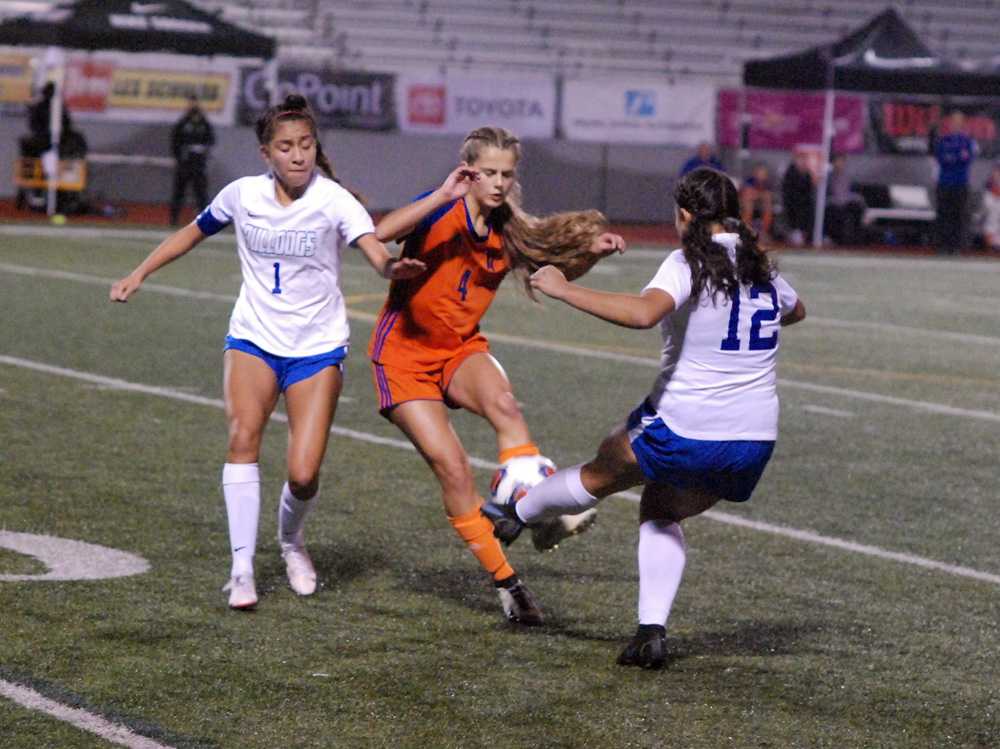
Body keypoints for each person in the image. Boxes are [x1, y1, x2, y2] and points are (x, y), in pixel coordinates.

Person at [109, 94, 425, 610]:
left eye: (306, 145)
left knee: (303, 474)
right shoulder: (241, 195)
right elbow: (193, 232)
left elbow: (373, 250)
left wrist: (392, 270)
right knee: (242, 438)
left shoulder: (335, 200)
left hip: (317, 347)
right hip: (253, 337)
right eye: (286, 147)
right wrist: (139, 273)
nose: (298, 155)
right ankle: (241, 571)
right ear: (266, 154)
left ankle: (290, 541)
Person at [485, 167, 806, 667]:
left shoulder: (687, 261)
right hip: (754, 439)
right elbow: (795, 310)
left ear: (683, 215)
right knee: (661, 507)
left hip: (687, 425)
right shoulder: (761, 266)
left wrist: (563, 288)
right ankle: (650, 633)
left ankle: (514, 515)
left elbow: (642, 313)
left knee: (604, 468)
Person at [368, 125, 624, 625]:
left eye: (507, 174)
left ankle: (536, 511)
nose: (499, 182)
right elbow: (381, 232)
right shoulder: (444, 206)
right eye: (488, 172)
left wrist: (592, 252)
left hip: (459, 349)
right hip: (403, 357)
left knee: (507, 408)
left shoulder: (509, 229)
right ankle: (509, 582)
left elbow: (554, 278)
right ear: (470, 170)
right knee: (455, 469)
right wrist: (444, 192)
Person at [932, 110, 977, 255]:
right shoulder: (943, 140)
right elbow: (941, 159)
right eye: (954, 121)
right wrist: (955, 157)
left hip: (960, 183)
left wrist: (953, 157)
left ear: (962, 124)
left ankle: (957, 247)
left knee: (959, 216)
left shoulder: (968, 141)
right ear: (950, 123)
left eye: (959, 121)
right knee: (944, 215)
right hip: (944, 183)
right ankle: (942, 246)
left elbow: (966, 159)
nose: (956, 124)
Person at [170, 96, 216, 226]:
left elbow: (211, 140)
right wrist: (178, 158)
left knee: (201, 193)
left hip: (199, 164)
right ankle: (173, 220)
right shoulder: (183, 122)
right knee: (179, 192)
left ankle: (205, 222)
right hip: (185, 164)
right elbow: (175, 141)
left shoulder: (204, 123)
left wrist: (204, 154)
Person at [824, 154, 866, 246]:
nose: (839, 164)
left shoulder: (848, 176)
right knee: (833, 212)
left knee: (855, 209)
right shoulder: (828, 177)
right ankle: (833, 238)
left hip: (846, 203)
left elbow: (853, 194)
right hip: (833, 204)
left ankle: (855, 238)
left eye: (842, 161)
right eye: (837, 161)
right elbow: (829, 195)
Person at [781, 148, 815, 246]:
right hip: (792, 200)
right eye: (800, 159)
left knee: (809, 208)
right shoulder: (790, 171)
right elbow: (788, 190)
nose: (802, 162)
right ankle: (795, 232)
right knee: (798, 207)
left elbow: (809, 189)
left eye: (804, 159)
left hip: (804, 201)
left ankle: (805, 233)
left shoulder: (807, 173)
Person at [739, 163, 774, 241]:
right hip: (745, 203)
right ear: (755, 173)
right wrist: (759, 195)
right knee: (748, 205)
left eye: (763, 173)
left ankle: (763, 233)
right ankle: (745, 232)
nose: (761, 175)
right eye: (760, 173)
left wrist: (757, 195)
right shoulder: (749, 181)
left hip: (759, 203)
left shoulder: (767, 183)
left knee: (768, 206)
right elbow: (747, 194)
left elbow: (768, 196)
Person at [980, 164, 1000, 252]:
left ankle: (995, 245)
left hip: (996, 197)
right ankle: (991, 247)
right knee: (992, 220)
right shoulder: (996, 172)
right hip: (991, 196)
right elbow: (994, 188)